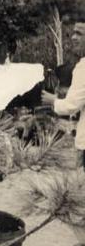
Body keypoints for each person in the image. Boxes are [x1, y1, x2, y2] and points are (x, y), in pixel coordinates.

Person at [42, 20, 85, 169]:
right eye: (73, 33)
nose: (73, 37)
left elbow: (70, 106)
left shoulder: (83, 67)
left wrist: (53, 100)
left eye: (79, 33)